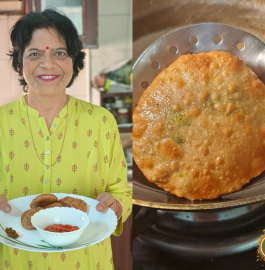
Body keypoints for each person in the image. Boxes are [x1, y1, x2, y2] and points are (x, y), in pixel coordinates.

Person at [0, 9, 132, 270]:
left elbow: (122, 191)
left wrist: (115, 205)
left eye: (59, 53)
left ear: (74, 61)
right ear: (20, 62)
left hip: (86, 262)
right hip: (16, 261)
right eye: (35, 54)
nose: (48, 64)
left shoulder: (101, 121)